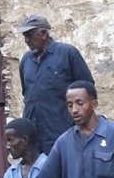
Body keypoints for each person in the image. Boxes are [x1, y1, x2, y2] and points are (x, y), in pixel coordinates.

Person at [18, 14, 94, 154]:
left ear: (44, 34)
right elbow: (27, 95)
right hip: (33, 139)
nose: (26, 40)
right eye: (24, 36)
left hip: (62, 135)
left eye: (29, 35)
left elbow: (87, 91)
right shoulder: (25, 61)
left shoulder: (67, 53)